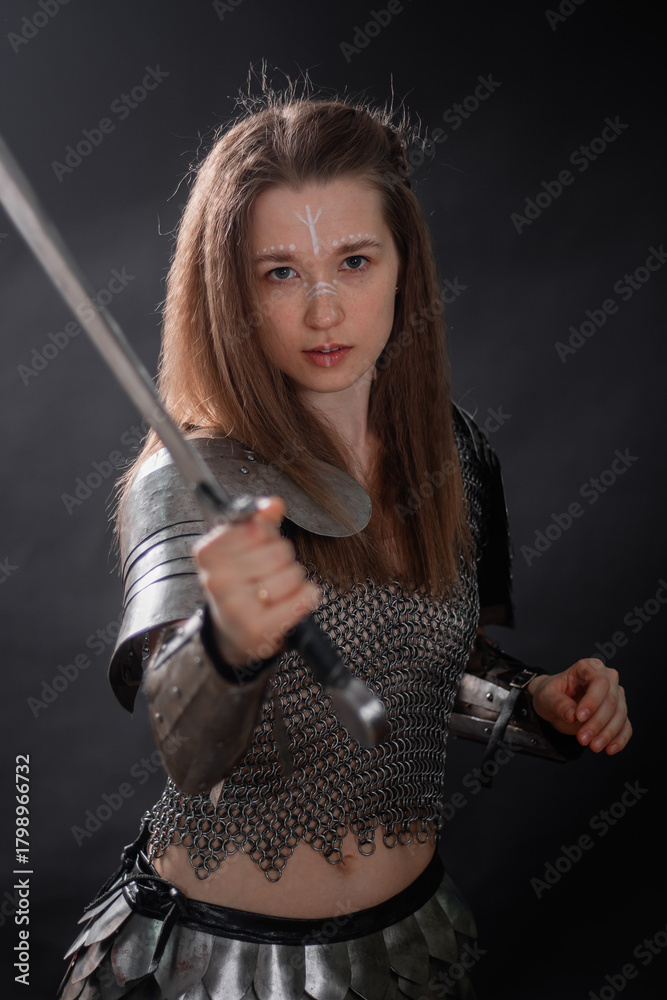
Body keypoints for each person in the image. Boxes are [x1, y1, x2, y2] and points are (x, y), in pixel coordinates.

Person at [57, 91, 631, 1000]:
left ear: (403, 266)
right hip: (217, 967)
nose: (324, 308)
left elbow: (419, 664)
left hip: (409, 949)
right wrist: (228, 643)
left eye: (353, 261)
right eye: (279, 273)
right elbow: (185, 745)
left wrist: (534, 705)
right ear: (229, 289)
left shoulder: (456, 453)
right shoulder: (187, 479)